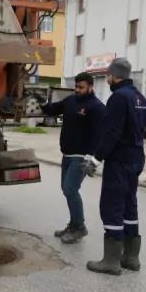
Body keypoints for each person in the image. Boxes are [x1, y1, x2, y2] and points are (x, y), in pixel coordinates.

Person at [81, 58, 146, 275]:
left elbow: (111, 132)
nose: (107, 79)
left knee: (112, 206)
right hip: (136, 159)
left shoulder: (118, 97)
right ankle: (130, 257)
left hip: (119, 161)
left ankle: (111, 261)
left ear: (114, 75)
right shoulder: (140, 98)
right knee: (130, 206)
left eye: (108, 76)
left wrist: (94, 159)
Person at [36, 72, 106, 243]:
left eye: (81, 87)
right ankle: (74, 225)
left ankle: (79, 227)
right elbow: (52, 110)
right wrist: (43, 101)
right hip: (67, 154)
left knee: (70, 189)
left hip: (81, 156)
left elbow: (99, 135)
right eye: (76, 86)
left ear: (91, 87)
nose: (77, 90)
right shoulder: (71, 100)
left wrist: (91, 158)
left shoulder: (96, 107)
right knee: (67, 189)